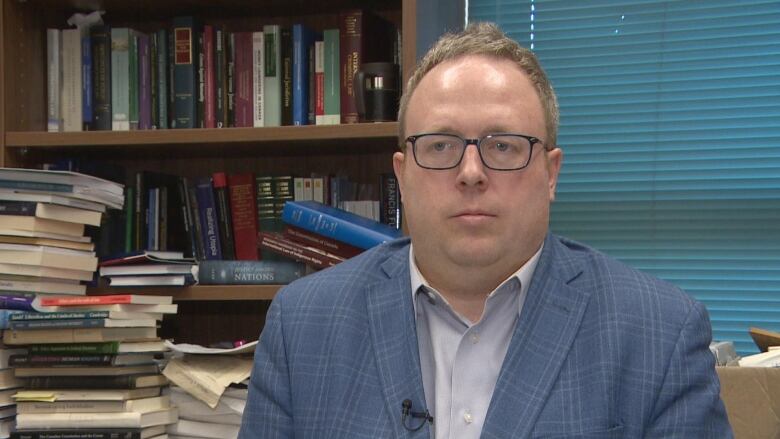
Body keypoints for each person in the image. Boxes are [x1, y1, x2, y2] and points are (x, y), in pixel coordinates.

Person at [239, 22, 732, 438]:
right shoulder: (301, 325)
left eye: (503, 146)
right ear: (402, 175)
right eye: (439, 145)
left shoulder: (660, 335)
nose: (471, 171)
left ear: (551, 173)